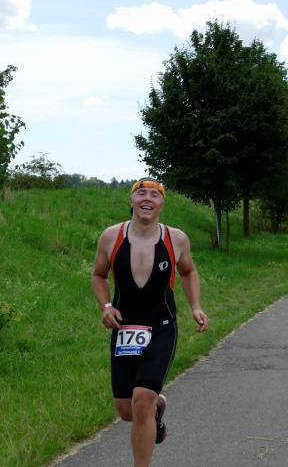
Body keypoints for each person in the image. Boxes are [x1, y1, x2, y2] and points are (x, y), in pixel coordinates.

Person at [91, 177, 209, 467]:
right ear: (131, 200)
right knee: (126, 410)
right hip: (125, 328)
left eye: (154, 195)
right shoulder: (111, 237)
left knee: (141, 401)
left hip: (161, 327)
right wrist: (106, 306)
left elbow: (188, 272)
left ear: (162, 204)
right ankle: (158, 408)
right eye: (140, 193)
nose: (147, 199)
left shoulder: (176, 239)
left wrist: (195, 307)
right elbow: (98, 275)